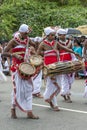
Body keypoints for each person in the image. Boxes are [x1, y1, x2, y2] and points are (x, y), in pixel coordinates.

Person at [37, 27, 79, 111]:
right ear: (47, 35)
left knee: (58, 85)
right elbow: (37, 55)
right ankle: (54, 104)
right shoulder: (42, 44)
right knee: (51, 85)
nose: (54, 36)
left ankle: (49, 98)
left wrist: (72, 52)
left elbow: (64, 48)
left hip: (57, 66)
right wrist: (42, 62)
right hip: (49, 68)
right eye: (52, 35)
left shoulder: (56, 43)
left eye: (54, 35)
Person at [3, 24, 39, 119]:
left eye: (28, 33)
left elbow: (35, 45)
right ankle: (13, 109)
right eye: (26, 33)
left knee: (29, 89)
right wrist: (14, 55)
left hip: (26, 67)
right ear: (21, 32)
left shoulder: (27, 40)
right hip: (17, 67)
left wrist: (32, 48)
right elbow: (4, 53)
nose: (27, 35)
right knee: (17, 90)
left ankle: (29, 112)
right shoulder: (13, 41)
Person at [56, 28, 78, 102]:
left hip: (70, 61)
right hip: (62, 62)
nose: (64, 36)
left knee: (70, 79)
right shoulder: (56, 43)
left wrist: (74, 60)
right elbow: (58, 51)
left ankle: (65, 93)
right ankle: (66, 95)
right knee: (64, 79)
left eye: (65, 35)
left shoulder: (69, 42)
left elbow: (71, 51)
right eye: (62, 35)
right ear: (59, 35)